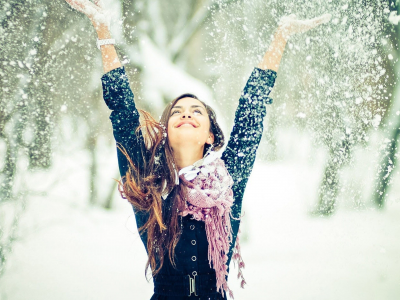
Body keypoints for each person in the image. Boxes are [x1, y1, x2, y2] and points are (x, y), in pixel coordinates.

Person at [64, 1, 331, 299]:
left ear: (209, 135)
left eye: (197, 111)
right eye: (178, 112)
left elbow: (251, 111)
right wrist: (102, 26)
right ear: (166, 131)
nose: (187, 114)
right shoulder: (149, 181)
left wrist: (280, 37)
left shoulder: (228, 180)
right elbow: (123, 113)